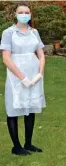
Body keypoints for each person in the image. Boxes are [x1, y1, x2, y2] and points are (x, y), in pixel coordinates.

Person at [1, 5, 45, 155]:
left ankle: (28, 143)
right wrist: (22, 78)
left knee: (30, 107)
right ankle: (16, 146)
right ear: (15, 14)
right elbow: (6, 59)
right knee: (13, 109)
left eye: (27, 12)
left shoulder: (34, 32)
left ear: (31, 14)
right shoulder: (9, 33)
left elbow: (41, 54)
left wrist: (40, 73)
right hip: (16, 76)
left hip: (34, 74)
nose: (24, 15)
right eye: (21, 12)